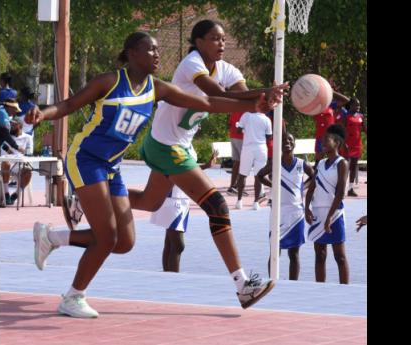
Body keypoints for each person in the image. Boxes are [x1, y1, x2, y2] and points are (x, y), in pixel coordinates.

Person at [26, 31, 284, 318]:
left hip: (111, 165)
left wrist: (255, 106)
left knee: (124, 242)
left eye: (158, 50)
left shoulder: (156, 88)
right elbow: (69, 105)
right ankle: (73, 296)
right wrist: (43, 113)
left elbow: (209, 103)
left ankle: (51, 237)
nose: (157, 55)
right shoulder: (110, 82)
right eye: (150, 50)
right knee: (108, 236)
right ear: (132, 53)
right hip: (85, 159)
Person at [124, 20, 288, 309]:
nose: (221, 44)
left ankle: (87, 197)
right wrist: (263, 94)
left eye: (223, 39)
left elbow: (242, 91)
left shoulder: (226, 68)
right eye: (214, 38)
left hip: (174, 142)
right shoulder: (191, 64)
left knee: (150, 202)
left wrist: (264, 99)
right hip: (166, 144)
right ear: (198, 41)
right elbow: (218, 95)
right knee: (217, 206)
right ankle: (242, 285)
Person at [258, 132, 314, 280]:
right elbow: (259, 175)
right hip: (278, 211)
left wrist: (303, 187)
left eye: (290, 139)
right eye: (283, 140)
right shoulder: (275, 163)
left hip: (296, 213)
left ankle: (293, 284)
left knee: (294, 253)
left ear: (294, 143)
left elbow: (314, 178)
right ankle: (272, 282)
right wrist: (273, 185)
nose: (287, 142)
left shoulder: (302, 164)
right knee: (275, 251)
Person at [153, 148, 218, 272]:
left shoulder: (187, 142)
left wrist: (206, 166)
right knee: (178, 245)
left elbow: (187, 168)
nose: (198, 127)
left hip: (182, 198)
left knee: (170, 243)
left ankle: (166, 276)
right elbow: (178, 168)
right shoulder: (174, 141)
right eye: (197, 126)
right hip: (173, 198)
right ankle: (173, 278)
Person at [305, 124, 350, 284]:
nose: (322, 142)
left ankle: (345, 289)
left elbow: (340, 193)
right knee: (320, 255)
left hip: (335, 214)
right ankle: (320, 288)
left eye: (326, 140)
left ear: (336, 143)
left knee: (340, 256)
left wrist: (329, 217)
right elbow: (311, 188)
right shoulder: (321, 163)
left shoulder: (341, 163)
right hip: (318, 212)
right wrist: (307, 209)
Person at [235, 111, 271, 210]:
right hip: (261, 148)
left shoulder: (246, 115)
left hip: (248, 148)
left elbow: (238, 131)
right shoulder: (266, 119)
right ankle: (256, 202)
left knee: (242, 175)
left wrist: (244, 130)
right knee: (259, 176)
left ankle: (239, 201)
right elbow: (269, 136)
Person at [0, 117, 34, 204]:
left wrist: (13, 152)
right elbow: (4, 153)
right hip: (9, 164)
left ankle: (16, 195)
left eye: (13, 124)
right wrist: (16, 152)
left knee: (29, 171)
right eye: (10, 124)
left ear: (19, 126)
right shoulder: (7, 137)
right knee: (5, 163)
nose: (11, 126)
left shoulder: (28, 138)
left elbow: (29, 153)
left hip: (20, 164)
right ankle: (6, 193)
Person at [313, 91, 350, 169]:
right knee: (318, 162)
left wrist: (331, 91)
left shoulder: (330, 105)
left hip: (332, 138)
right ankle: (314, 179)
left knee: (334, 159)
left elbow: (346, 100)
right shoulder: (314, 107)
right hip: (321, 137)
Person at [339, 98, 367, 197]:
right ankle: (341, 189)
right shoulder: (345, 116)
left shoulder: (361, 116)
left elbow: (365, 130)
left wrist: (365, 122)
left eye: (359, 105)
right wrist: (343, 143)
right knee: (346, 166)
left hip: (357, 145)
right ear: (351, 105)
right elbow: (341, 131)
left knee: (354, 166)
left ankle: (350, 189)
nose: (358, 107)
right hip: (347, 145)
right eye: (356, 105)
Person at [226, 112, 246, 196]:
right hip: (241, 138)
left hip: (233, 137)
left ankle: (232, 186)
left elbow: (229, 124)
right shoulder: (245, 112)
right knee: (244, 163)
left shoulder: (234, 110)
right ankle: (239, 187)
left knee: (237, 163)